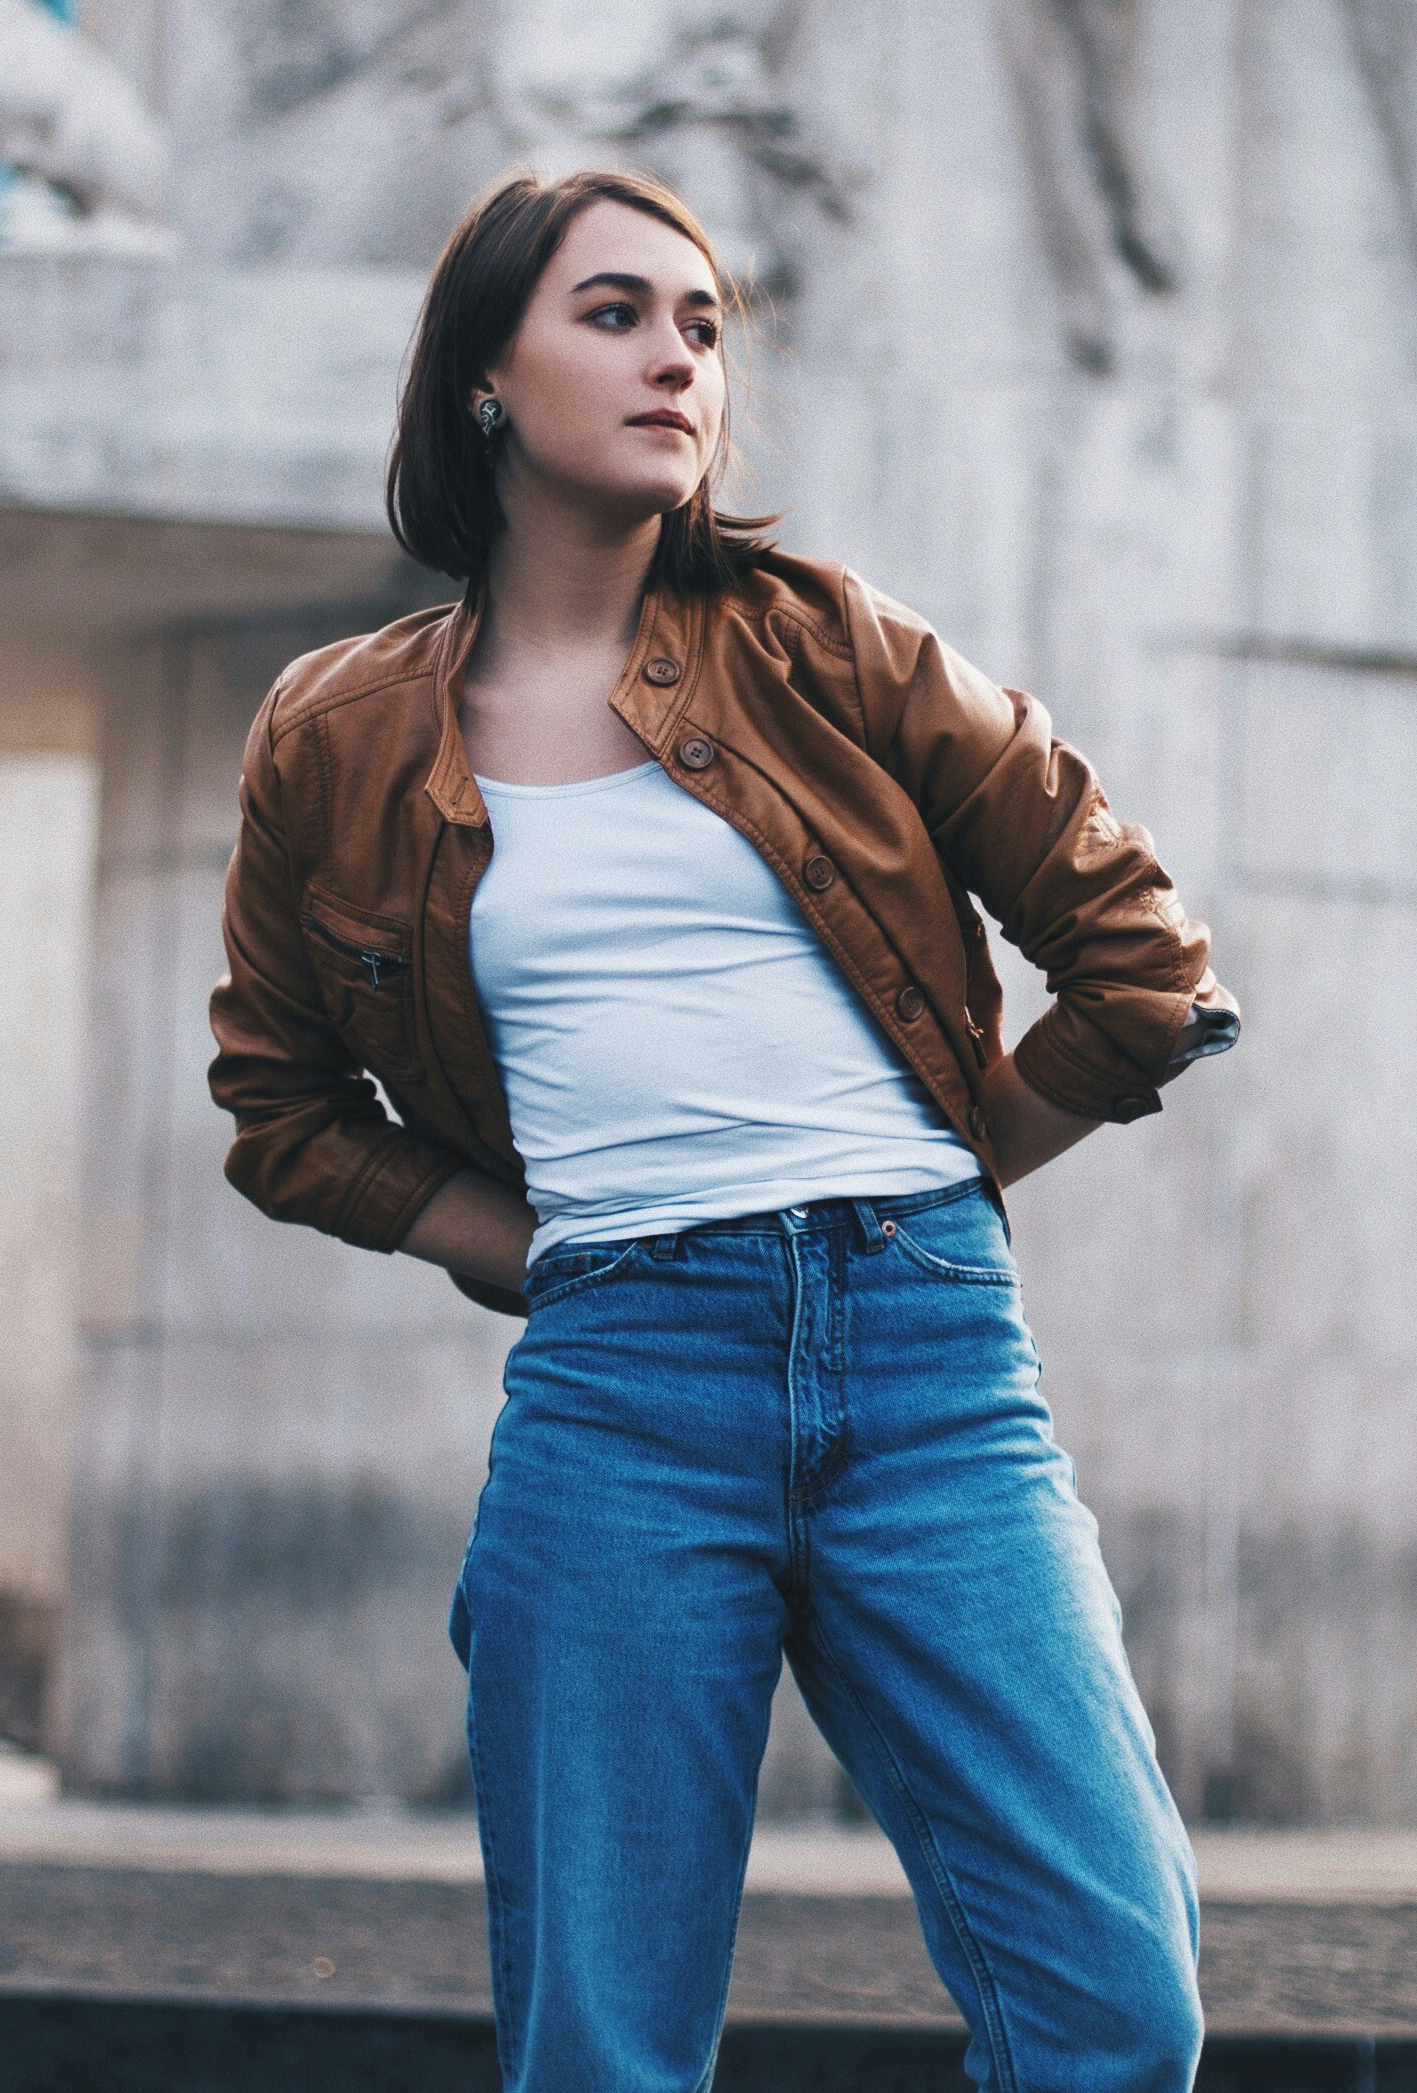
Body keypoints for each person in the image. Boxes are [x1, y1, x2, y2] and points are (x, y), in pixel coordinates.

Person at [209, 167, 1238, 2093]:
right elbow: (278, 1104)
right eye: (615, 313)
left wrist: (927, 1186)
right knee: (603, 2049)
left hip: (931, 1368)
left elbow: (1138, 963)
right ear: (485, 379)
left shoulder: (831, 645)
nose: (678, 355)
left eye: (700, 322)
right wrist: (531, 1252)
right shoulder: (333, 735)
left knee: (1116, 1998)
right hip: (618, 1389)